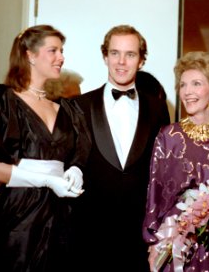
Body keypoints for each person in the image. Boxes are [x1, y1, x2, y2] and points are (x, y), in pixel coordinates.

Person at [0, 25, 91, 272]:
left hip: (64, 214)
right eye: (53, 51)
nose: (61, 57)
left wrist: (75, 170)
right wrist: (47, 181)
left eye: (62, 51)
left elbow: (79, 155)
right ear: (29, 55)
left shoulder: (68, 110)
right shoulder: (2, 100)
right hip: (21, 215)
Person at [72, 24, 170, 271]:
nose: (121, 62)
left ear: (141, 60)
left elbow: (163, 171)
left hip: (140, 235)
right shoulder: (78, 106)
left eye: (130, 54)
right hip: (89, 234)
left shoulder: (158, 109)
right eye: (115, 53)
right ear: (105, 56)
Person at [143, 51, 209, 271]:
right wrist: (154, 240)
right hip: (173, 239)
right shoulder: (168, 135)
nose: (187, 92)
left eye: (196, 84)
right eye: (183, 85)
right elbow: (155, 194)